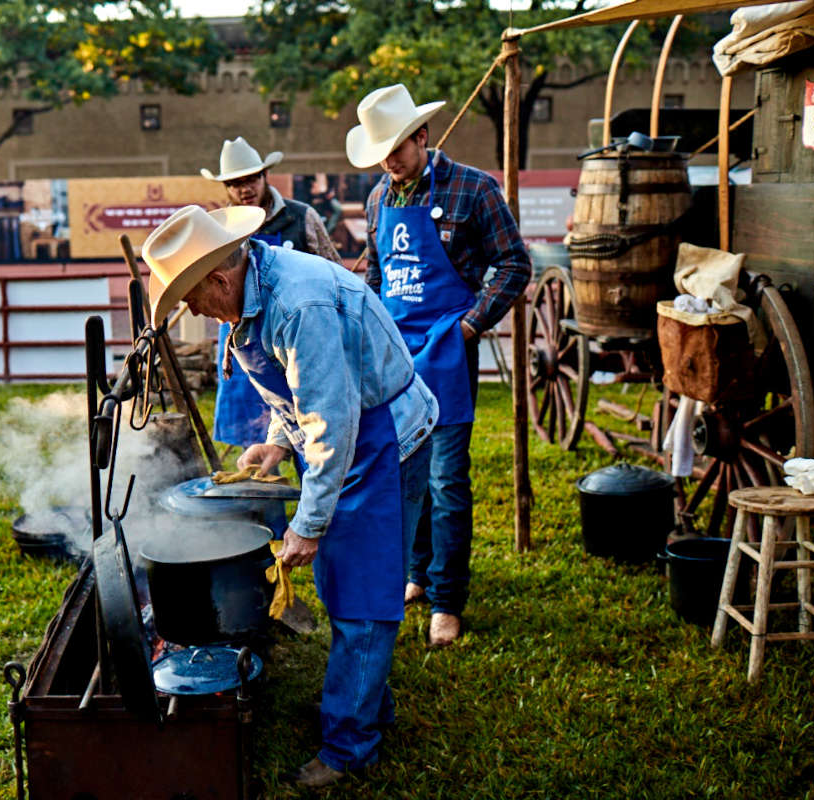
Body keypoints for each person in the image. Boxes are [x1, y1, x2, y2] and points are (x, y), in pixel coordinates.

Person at [143, 204, 437, 788]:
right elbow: (299, 392)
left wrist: (307, 523)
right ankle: (367, 704)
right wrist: (277, 443)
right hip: (344, 437)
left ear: (220, 279)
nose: (194, 310)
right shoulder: (251, 289)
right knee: (340, 583)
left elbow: (332, 417)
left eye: (193, 297)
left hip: (379, 440)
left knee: (363, 600)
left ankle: (350, 749)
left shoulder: (299, 303)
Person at [347, 84, 531, 648]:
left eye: (399, 147)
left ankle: (447, 601)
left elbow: (513, 264)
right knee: (407, 474)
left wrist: (472, 323)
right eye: (381, 152)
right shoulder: (378, 200)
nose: (390, 160)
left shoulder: (473, 188)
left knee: (447, 480)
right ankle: (417, 575)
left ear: (422, 135)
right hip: (395, 358)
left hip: (448, 350)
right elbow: (378, 276)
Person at [201, 137, 343, 449]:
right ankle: (262, 498)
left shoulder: (301, 217)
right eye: (235, 183)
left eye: (251, 179)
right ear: (226, 188)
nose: (244, 189)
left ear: (266, 176)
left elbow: (333, 273)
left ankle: (314, 492)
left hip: (297, 339)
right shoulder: (220, 229)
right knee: (254, 447)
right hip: (245, 346)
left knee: (311, 431)